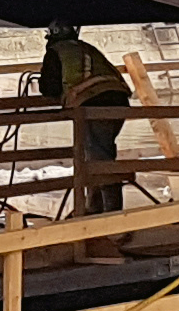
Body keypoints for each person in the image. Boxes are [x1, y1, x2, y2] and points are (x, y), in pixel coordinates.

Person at [38, 20, 134, 216]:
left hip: (93, 103)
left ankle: (111, 214)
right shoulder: (86, 47)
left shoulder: (56, 52)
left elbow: (49, 88)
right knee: (99, 152)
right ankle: (95, 208)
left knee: (99, 156)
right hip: (119, 100)